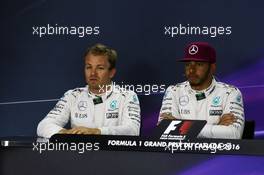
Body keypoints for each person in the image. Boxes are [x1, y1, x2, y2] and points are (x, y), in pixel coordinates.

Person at [37, 43, 141, 138]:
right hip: (78, 156)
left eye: (100, 68)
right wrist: (65, 133)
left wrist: (97, 132)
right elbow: (43, 126)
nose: (93, 73)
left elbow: (132, 130)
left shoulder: (127, 96)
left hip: (115, 157)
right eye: (89, 67)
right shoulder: (73, 95)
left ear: (112, 73)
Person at [158, 42, 245, 139]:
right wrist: (216, 128)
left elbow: (234, 134)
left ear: (212, 68)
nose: (191, 70)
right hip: (180, 154)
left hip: (217, 154)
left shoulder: (231, 93)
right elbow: (164, 131)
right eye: (188, 64)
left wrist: (179, 127)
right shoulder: (173, 91)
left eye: (199, 64)